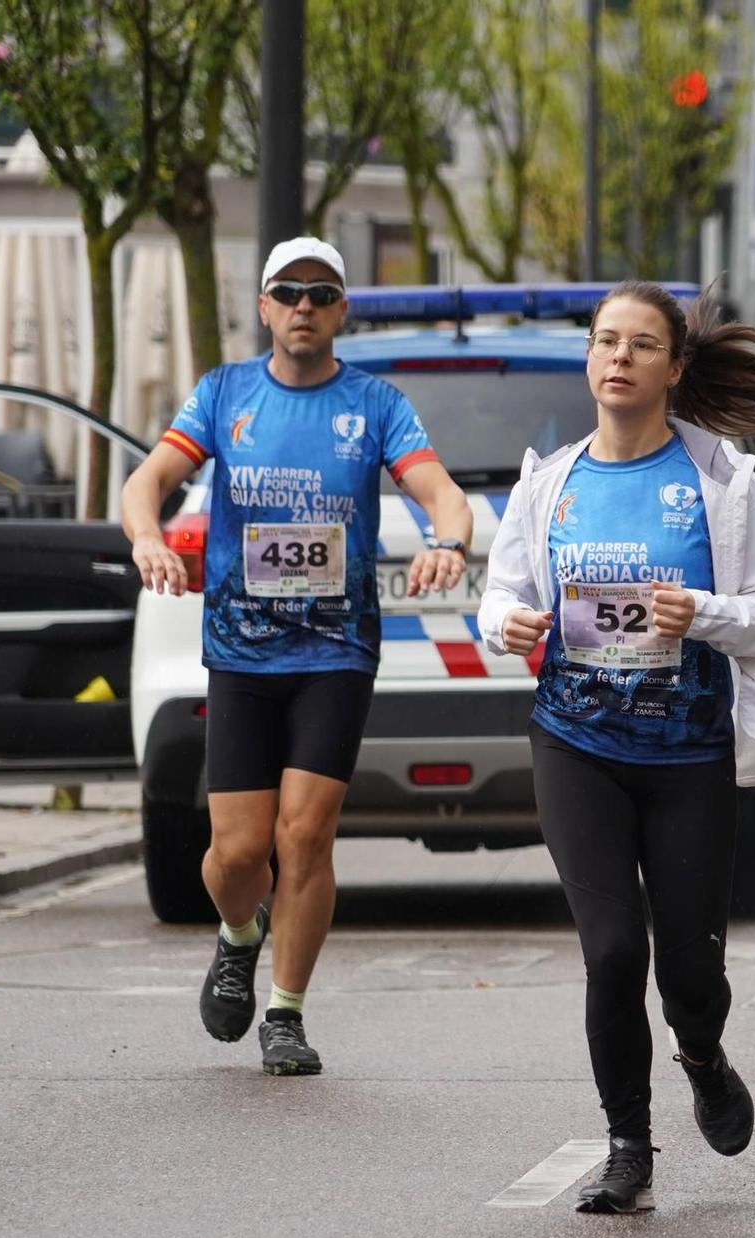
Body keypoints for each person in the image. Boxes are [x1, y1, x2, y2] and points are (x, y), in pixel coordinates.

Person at [479, 281, 755, 1213]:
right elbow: (498, 596)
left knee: (691, 973)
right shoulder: (548, 485)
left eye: (641, 344)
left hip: (689, 753)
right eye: (606, 341)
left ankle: (702, 1051)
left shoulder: (721, 484)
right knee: (612, 952)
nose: (618, 358)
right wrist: (509, 625)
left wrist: (705, 614)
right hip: (576, 742)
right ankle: (627, 1147)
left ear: (673, 367)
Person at [121, 237, 474, 1074]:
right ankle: (239, 933)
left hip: (335, 649)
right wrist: (148, 539)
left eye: (322, 293)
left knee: (306, 834)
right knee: (238, 852)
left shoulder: (375, 402)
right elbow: (147, 483)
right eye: (290, 292)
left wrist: (449, 543)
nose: (306, 306)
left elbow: (440, 491)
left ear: (342, 309)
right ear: (266, 307)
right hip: (241, 653)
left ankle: (286, 1011)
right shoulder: (225, 393)